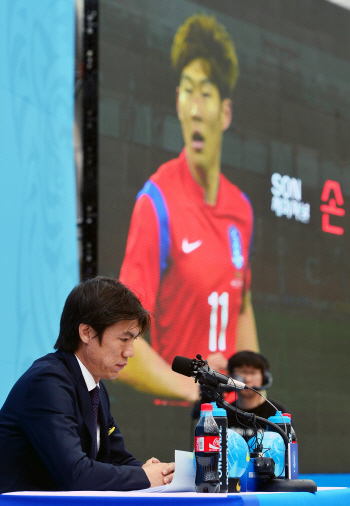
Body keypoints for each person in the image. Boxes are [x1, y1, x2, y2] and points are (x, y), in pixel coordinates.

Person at [119, 14, 259, 401]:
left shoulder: (241, 210)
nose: (195, 109)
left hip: (232, 425)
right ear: (177, 102)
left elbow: (241, 304)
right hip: (173, 424)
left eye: (206, 94)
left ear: (225, 112)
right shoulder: (156, 201)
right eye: (187, 91)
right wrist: (195, 390)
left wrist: (252, 391)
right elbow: (122, 344)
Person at [0, 277, 174, 493]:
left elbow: (117, 459)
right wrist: (143, 476)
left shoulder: (94, 387)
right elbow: (75, 475)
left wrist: (163, 474)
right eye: (123, 339)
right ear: (86, 332)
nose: (130, 352)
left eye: (133, 341)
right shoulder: (47, 382)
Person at [225, 351, 290, 440]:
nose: (247, 379)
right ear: (230, 376)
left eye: (253, 373)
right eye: (241, 372)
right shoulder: (224, 413)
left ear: (264, 378)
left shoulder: (277, 414)